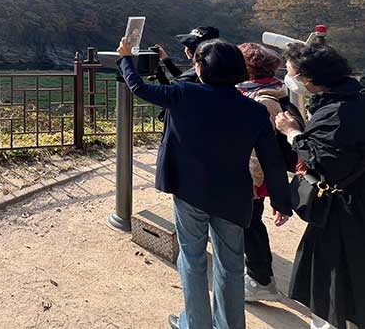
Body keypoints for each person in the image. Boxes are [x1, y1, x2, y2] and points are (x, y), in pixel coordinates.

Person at [117, 37, 292, 329]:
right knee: (231, 265)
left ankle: (196, 323)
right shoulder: (254, 111)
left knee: (193, 260)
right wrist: (281, 201)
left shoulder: (185, 94)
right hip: (234, 196)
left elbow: (140, 88)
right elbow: (272, 160)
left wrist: (125, 58)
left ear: (200, 68)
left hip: (190, 192)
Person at [275, 43, 365, 329]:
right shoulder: (354, 96)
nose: (289, 79)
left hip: (344, 209)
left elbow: (324, 163)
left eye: (291, 74)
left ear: (309, 79)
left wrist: (292, 133)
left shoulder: (338, 114)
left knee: (330, 273)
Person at [237, 43, 304, 302]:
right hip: (260, 172)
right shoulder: (271, 89)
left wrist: (252, 183)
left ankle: (260, 280)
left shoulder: (263, 99)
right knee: (250, 222)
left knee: (250, 224)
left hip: (254, 175)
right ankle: (258, 276)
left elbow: (257, 148)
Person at [153, 25, 222, 85]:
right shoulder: (216, 70)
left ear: (189, 51)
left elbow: (170, 91)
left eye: (187, 46)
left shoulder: (199, 74)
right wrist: (165, 59)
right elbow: (183, 77)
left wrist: (156, 67)